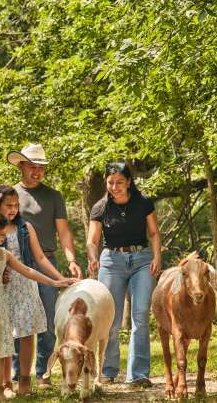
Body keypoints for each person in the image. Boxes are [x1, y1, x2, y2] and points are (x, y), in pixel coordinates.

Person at [0, 210, 76, 399]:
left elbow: (28, 270)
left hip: (1, 306)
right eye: (1, 234)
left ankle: (0, 388)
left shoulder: (4, 255)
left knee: (3, 347)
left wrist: (55, 282)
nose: (5, 238)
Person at [7, 143, 82, 387]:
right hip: (15, 261)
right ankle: (19, 374)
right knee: (19, 320)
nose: (37, 172)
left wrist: (70, 260)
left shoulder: (53, 196)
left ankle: (43, 372)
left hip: (45, 260)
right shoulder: (11, 195)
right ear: (21, 166)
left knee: (48, 320)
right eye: (32, 167)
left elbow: (63, 231)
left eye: (41, 168)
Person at [86, 161, 161, 386]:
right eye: (111, 182)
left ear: (129, 181)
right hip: (112, 262)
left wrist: (157, 256)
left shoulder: (144, 202)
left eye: (120, 182)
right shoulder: (100, 207)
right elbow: (92, 241)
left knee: (140, 316)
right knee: (111, 318)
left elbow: (154, 233)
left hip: (142, 261)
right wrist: (92, 257)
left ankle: (138, 375)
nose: (115, 186)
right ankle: (108, 371)